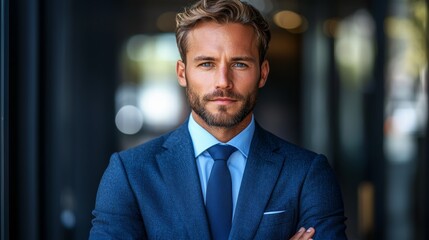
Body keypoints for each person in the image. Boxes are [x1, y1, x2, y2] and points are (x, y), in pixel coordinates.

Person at [89, 0, 347, 239]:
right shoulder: (130, 173)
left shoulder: (307, 173)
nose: (223, 81)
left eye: (239, 64)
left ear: (263, 73)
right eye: (206, 64)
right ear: (182, 73)